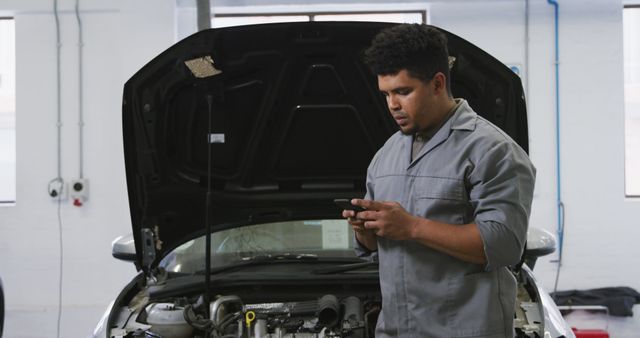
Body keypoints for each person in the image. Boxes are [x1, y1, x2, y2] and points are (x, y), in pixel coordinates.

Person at [341, 24, 536, 337]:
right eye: (386, 94)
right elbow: (381, 248)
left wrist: (412, 227)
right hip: (397, 329)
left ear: (437, 83)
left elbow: (504, 244)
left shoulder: (492, 150)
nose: (392, 104)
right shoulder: (386, 156)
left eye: (403, 92)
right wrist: (366, 231)